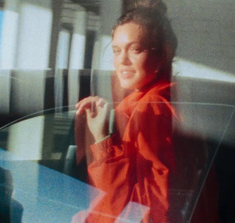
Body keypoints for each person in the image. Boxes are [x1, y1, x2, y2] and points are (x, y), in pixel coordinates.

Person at [73, 1, 178, 222]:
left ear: (162, 56)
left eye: (136, 49)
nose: (122, 60)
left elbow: (137, 204)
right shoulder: (165, 99)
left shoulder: (151, 109)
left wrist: (102, 139)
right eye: (116, 50)